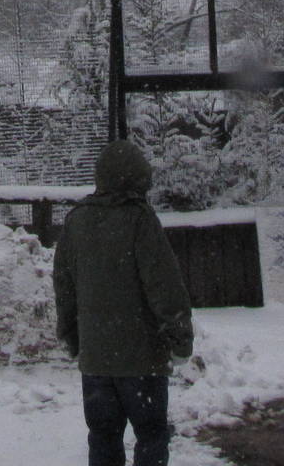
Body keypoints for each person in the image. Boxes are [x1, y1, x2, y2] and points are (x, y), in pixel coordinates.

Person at [52, 139, 194, 466]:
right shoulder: (140, 219)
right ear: (139, 177)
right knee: (151, 435)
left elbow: (64, 287)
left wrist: (72, 338)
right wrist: (180, 339)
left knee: (103, 437)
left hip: (96, 361)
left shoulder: (76, 220)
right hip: (142, 361)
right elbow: (165, 287)